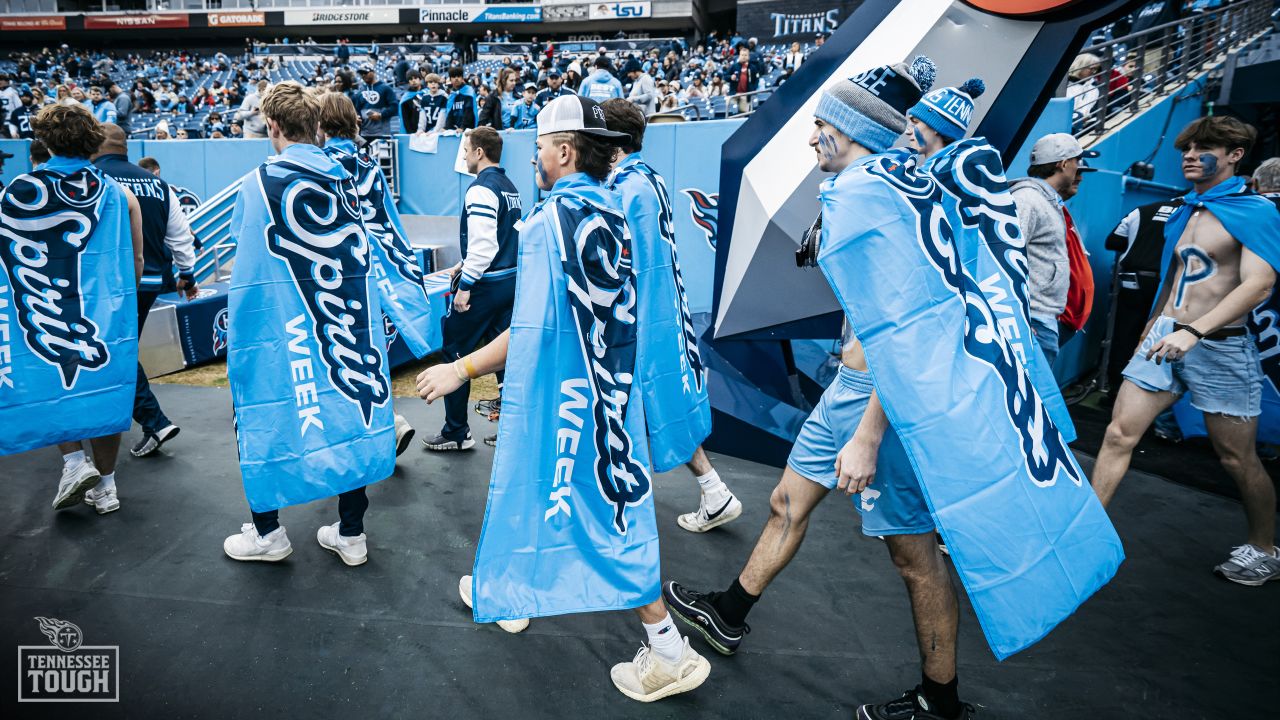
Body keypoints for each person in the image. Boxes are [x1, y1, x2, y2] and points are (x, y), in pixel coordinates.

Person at [663, 58, 984, 720]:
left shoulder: (868, 199)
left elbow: (903, 330)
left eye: (819, 128)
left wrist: (868, 437)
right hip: (850, 385)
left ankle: (940, 700)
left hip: (884, 400)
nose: (811, 140)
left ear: (851, 130)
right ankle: (729, 613)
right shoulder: (871, 189)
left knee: (914, 557)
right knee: (785, 500)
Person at [416, 94, 711, 703]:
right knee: (597, 501)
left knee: (565, 495)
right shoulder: (611, 208)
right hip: (607, 388)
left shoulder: (552, 221)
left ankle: (666, 648)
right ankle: (515, 584)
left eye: (542, 147)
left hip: (562, 390)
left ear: (566, 150)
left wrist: (460, 368)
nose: (535, 159)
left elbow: (530, 329)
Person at [1091, 116, 1280, 586]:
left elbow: (1259, 284)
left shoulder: (1254, 210)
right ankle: (1086, 533)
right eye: (1187, 148)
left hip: (1220, 346)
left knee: (1237, 458)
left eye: (1205, 147)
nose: (1190, 155)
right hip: (1166, 337)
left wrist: (1193, 332)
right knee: (1118, 434)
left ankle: (1265, 547)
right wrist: (1152, 329)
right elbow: (1175, 280)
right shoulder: (1185, 209)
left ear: (1235, 155)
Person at [222, 82, 395, 567]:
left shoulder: (259, 182)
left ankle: (268, 533)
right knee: (349, 406)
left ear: (272, 126)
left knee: (262, 411)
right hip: (347, 317)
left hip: (281, 325)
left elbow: (248, 263)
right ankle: (352, 532)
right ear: (318, 126)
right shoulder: (348, 176)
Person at [600, 98, 742, 532]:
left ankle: (616, 512)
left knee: (629, 408)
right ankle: (714, 489)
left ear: (613, 145)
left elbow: (615, 261)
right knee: (664, 406)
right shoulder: (648, 176)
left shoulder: (625, 187)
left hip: (639, 315)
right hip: (662, 311)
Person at [2, 103, 143, 515]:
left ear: (44, 140)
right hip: (106, 311)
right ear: (92, 141)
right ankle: (108, 486)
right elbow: (136, 261)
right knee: (106, 392)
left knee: (53, 377)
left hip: (44, 304)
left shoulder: (17, 192)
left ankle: (73, 462)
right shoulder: (119, 194)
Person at [316, 91, 427, 457]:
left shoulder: (315, 167)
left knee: (335, 360)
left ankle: (378, 429)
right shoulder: (369, 167)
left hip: (332, 280)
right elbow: (390, 227)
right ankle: (388, 423)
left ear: (320, 124)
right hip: (374, 280)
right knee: (368, 354)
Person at [91, 123, 198, 458]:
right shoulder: (158, 184)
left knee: (111, 353)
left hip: (108, 284)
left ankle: (154, 421)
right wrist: (188, 276)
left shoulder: (91, 179)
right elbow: (181, 236)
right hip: (150, 281)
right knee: (117, 350)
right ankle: (147, 422)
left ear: (95, 144)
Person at [423, 127, 520, 451]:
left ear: (480, 152)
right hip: (509, 281)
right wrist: (464, 265)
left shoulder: (481, 189)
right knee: (507, 357)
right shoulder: (510, 186)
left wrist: (465, 286)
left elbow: (484, 247)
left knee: (454, 350)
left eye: (466, 150)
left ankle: (456, 432)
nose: (463, 156)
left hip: (486, 286)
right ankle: (511, 431)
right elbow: (504, 241)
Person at [1010, 133, 1097, 367]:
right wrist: (1021, 319)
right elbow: (1005, 259)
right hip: (1032, 321)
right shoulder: (1027, 199)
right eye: (1077, 162)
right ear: (1064, 163)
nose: (1079, 170)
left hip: (1041, 320)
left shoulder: (1048, 201)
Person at [355, 64, 397, 137]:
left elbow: (394, 107)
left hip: (382, 133)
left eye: (365, 72)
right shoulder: (360, 92)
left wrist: (381, 115)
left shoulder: (386, 89)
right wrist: (357, 117)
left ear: (373, 72)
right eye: (361, 74)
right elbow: (357, 110)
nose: (363, 75)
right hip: (364, 134)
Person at [443, 67, 478, 131]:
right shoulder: (452, 95)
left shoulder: (468, 91)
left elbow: (469, 112)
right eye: (453, 76)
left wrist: (463, 127)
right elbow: (450, 113)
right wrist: (447, 127)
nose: (456, 78)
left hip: (467, 129)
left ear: (462, 78)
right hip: (455, 130)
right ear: (450, 79)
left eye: (458, 76)